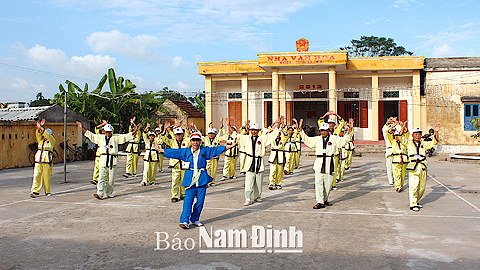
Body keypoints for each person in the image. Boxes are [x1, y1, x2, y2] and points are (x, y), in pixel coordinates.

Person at [156, 132, 237, 229]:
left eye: (197, 141)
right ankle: (184, 220)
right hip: (190, 179)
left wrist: (229, 146)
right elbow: (174, 152)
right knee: (188, 201)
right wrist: (160, 150)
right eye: (194, 140)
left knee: (200, 201)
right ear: (190, 141)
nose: (195, 143)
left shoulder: (204, 151)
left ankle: (195, 218)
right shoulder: (185, 151)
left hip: (201, 178)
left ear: (200, 142)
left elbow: (216, 150)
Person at [76, 121, 139, 200]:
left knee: (111, 179)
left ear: (111, 131)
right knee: (101, 177)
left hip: (112, 160)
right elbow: (91, 135)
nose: (108, 133)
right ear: (104, 132)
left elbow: (125, 137)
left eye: (109, 132)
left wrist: (135, 131)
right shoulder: (101, 138)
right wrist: (82, 127)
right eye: (107, 132)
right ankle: (100, 193)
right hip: (103, 159)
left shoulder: (115, 137)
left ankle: (109, 192)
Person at [300, 118, 354, 209]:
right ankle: (320, 201)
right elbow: (308, 141)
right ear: (320, 131)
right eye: (322, 131)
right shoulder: (317, 139)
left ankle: (325, 199)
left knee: (328, 184)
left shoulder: (333, 138)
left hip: (329, 162)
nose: (323, 132)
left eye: (325, 131)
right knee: (318, 183)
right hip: (319, 162)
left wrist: (349, 131)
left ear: (328, 131)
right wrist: (301, 130)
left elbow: (343, 142)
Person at [236, 117, 281, 206]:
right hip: (250, 161)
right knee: (249, 181)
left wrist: (278, 125)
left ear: (258, 130)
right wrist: (228, 125)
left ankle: (257, 196)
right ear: (250, 130)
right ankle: (248, 198)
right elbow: (236, 135)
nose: (254, 132)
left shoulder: (262, 139)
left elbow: (271, 136)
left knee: (258, 182)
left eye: (255, 130)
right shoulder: (246, 138)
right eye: (252, 130)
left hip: (259, 161)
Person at [407, 124, 440, 211]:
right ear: (412, 135)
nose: (417, 136)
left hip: (422, 166)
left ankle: (417, 201)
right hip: (413, 166)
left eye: (419, 134)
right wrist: (403, 127)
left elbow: (434, 142)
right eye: (416, 134)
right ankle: (413, 204)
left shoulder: (423, 144)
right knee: (414, 185)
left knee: (422, 186)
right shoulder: (409, 143)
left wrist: (436, 131)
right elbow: (402, 138)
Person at [162, 120, 191, 202]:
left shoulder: (186, 141)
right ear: (175, 135)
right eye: (177, 135)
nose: (179, 136)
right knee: (175, 181)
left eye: (180, 134)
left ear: (183, 134)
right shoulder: (172, 142)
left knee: (184, 180)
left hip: (184, 164)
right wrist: (165, 129)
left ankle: (183, 195)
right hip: (175, 164)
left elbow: (191, 137)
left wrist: (185, 127)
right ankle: (174, 195)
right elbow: (164, 139)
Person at [30, 119, 56, 198]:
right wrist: (39, 128)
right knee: (37, 175)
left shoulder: (52, 141)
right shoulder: (41, 141)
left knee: (46, 176)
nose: (44, 136)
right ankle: (35, 191)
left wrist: (42, 128)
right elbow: (38, 135)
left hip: (47, 160)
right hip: (39, 159)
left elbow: (48, 135)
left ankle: (47, 191)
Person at [198, 118, 228, 186]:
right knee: (207, 169)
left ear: (215, 134)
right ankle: (206, 181)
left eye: (212, 133)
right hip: (207, 157)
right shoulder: (205, 139)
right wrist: (195, 128)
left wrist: (221, 126)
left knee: (214, 170)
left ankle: (212, 181)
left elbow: (226, 136)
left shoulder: (217, 139)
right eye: (209, 133)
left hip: (215, 157)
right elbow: (199, 136)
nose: (211, 135)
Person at [386, 120, 409, 192]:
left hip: (404, 159)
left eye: (398, 136)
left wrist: (404, 126)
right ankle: (398, 186)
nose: (397, 137)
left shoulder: (404, 142)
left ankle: (400, 185)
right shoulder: (393, 141)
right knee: (396, 174)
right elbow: (389, 133)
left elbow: (407, 133)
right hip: (396, 159)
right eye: (395, 136)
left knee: (403, 174)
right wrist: (392, 126)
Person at [382, 117, 401, 186]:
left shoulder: (396, 135)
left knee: (396, 167)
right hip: (389, 149)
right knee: (389, 166)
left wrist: (396, 122)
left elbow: (400, 130)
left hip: (397, 150)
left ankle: (396, 179)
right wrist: (388, 123)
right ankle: (390, 180)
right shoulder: (387, 134)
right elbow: (384, 130)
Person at [90, 120, 108, 185]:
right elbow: (96, 128)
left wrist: (106, 124)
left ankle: (104, 178)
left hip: (105, 152)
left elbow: (111, 129)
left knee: (104, 167)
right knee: (97, 166)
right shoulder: (99, 136)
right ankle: (95, 178)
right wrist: (103, 124)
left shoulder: (109, 136)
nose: (103, 131)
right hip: (99, 152)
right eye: (102, 130)